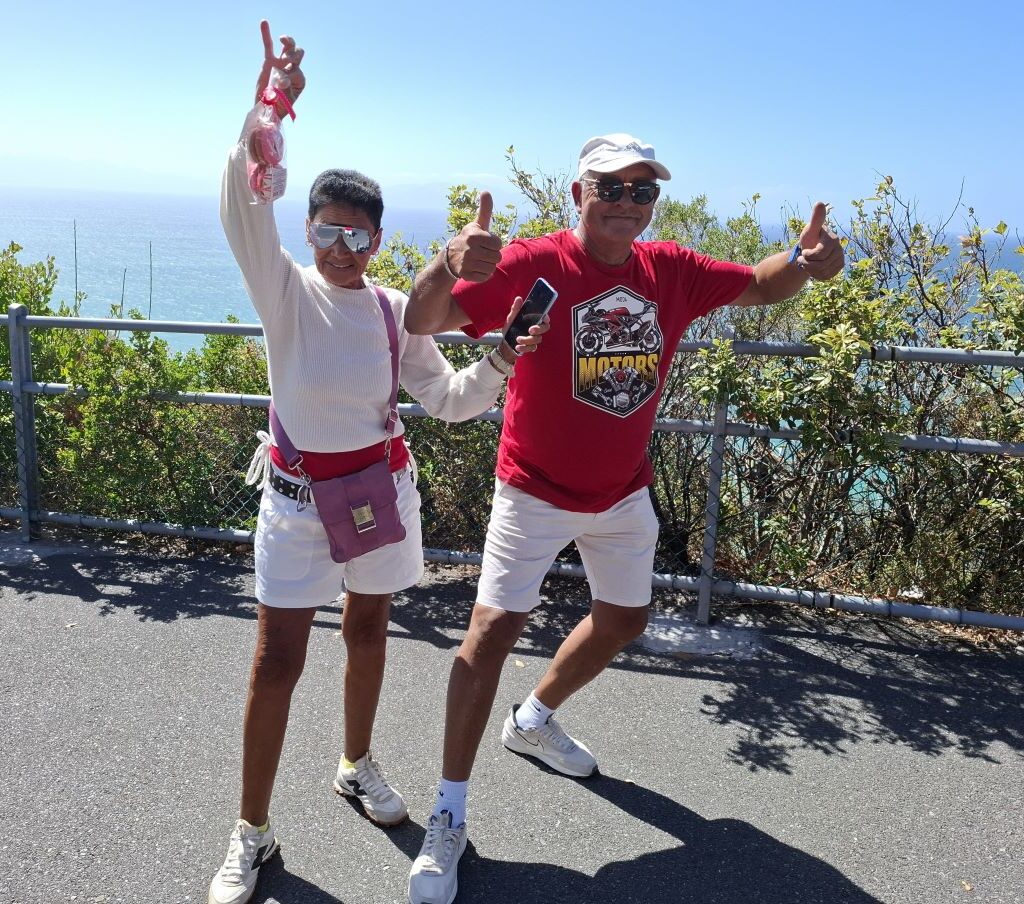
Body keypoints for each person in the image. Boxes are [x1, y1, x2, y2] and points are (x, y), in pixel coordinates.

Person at [402, 132, 844, 903]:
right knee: (489, 637)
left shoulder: (670, 270)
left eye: (644, 191)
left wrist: (807, 264)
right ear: (579, 195)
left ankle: (533, 719)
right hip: (532, 487)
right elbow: (422, 321)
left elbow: (763, 287)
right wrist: (447, 263)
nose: (629, 204)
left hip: (622, 490)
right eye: (612, 188)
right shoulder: (531, 264)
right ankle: (449, 811)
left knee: (625, 619)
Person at [208, 22, 546, 904]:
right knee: (276, 661)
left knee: (368, 634)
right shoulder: (284, 289)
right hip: (292, 501)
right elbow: (242, 201)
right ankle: (250, 832)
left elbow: (447, 400)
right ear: (310, 228)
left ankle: (356, 765)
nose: (342, 251)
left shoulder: (398, 312)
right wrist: (269, 107)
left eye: (360, 238)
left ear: (381, 243)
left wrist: (506, 355)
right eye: (328, 230)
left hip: (378, 497)